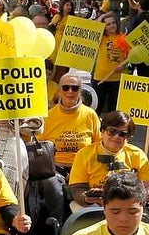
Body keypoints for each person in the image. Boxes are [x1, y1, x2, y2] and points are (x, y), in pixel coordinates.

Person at [37, 71, 102, 223]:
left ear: (80, 91)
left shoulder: (90, 115)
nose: (70, 92)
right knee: (51, 184)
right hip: (56, 169)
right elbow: (40, 147)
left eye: (75, 88)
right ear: (59, 91)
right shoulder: (48, 116)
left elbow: (98, 145)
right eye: (65, 88)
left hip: (83, 169)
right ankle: (58, 226)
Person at [68, 110, 149, 210]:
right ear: (102, 131)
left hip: (127, 205)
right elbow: (77, 188)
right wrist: (87, 198)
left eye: (122, 134)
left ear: (128, 137)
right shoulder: (84, 154)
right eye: (111, 131)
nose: (116, 137)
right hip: (94, 206)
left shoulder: (137, 154)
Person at [93, 13, 130, 114]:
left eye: (113, 23)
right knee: (97, 107)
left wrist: (123, 65)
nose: (112, 25)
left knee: (113, 109)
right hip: (100, 77)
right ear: (104, 27)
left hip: (117, 79)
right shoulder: (101, 38)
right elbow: (94, 29)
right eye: (108, 24)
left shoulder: (124, 38)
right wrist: (102, 16)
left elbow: (131, 56)